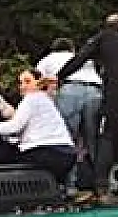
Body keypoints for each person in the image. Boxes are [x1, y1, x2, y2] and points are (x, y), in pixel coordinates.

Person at [56, 14, 118, 201]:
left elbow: (81, 57)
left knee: (108, 135)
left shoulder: (105, 37)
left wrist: (60, 75)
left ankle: (101, 188)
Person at [0, 70, 78, 186]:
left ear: (38, 82)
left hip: (48, 153)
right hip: (66, 154)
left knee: (1, 159)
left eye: (27, 82)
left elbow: (14, 127)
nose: (23, 86)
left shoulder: (32, 98)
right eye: (21, 83)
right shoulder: (45, 100)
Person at [36, 37, 100, 191]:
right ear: (72, 49)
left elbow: (38, 81)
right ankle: (99, 185)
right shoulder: (81, 58)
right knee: (93, 141)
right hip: (95, 91)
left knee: (67, 138)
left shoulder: (48, 59)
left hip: (70, 90)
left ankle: (69, 186)